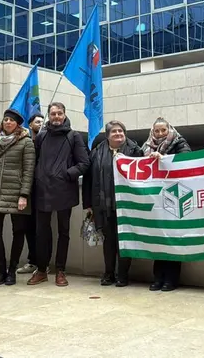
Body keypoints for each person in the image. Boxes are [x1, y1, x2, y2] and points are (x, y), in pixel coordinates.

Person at [28, 102, 90, 287]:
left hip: (64, 191)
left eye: (59, 113)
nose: (56, 117)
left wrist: (66, 174)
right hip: (42, 191)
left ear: (64, 115)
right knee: (41, 233)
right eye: (53, 113)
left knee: (63, 233)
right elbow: (34, 160)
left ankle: (60, 271)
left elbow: (85, 162)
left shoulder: (74, 136)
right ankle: (41, 270)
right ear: (49, 115)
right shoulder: (42, 136)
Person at [84, 121, 143, 287]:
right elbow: (89, 179)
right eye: (114, 131)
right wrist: (88, 203)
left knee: (125, 241)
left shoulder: (135, 151)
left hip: (127, 206)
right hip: (104, 205)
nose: (118, 134)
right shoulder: (96, 152)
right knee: (109, 242)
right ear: (108, 135)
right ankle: (108, 273)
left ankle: (122, 275)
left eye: (121, 131)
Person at [0, 109, 36, 286]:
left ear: (17, 124)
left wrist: (24, 194)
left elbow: (29, 170)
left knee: (18, 232)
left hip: (17, 193)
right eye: (5, 120)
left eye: (11, 120)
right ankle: (1, 270)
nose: (7, 122)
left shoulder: (26, 142)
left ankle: (12, 270)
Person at [142, 117, 191, 292]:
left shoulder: (180, 143)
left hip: (174, 197)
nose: (161, 133)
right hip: (155, 199)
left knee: (172, 239)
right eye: (157, 131)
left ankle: (171, 278)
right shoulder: (145, 148)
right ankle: (158, 277)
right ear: (152, 132)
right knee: (158, 239)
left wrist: (164, 159)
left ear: (169, 129)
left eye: (163, 130)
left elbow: (186, 161)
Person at [17, 112, 45, 275]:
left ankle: (42, 262)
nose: (40, 124)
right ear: (30, 124)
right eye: (37, 121)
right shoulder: (24, 142)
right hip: (25, 191)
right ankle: (32, 260)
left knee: (41, 228)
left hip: (42, 191)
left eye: (42, 121)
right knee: (27, 227)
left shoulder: (47, 141)